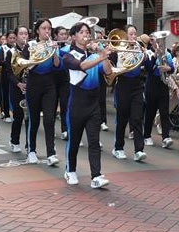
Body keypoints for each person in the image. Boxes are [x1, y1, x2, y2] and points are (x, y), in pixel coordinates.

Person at [63, 22, 112, 188]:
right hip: (76, 104)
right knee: (74, 141)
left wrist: (102, 54)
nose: (85, 34)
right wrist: (99, 56)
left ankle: (96, 176)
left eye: (87, 32)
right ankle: (70, 170)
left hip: (94, 104)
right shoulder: (68, 56)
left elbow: (108, 72)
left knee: (94, 141)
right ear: (74, 36)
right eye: (82, 32)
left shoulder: (94, 55)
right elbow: (81, 66)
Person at [24, 19, 60, 166]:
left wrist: (55, 52)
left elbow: (57, 65)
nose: (47, 31)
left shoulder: (53, 45)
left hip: (49, 84)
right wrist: (39, 51)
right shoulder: (30, 45)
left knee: (49, 119)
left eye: (49, 29)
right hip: (33, 83)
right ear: (37, 30)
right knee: (33, 120)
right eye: (44, 28)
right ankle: (31, 151)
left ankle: (51, 153)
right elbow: (26, 64)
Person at [110, 24, 148, 162]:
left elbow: (148, 65)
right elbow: (110, 66)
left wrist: (146, 57)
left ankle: (139, 150)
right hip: (123, 85)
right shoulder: (118, 49)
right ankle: (118, 148)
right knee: (122, 119)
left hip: (137, 86)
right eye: (131, 34)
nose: (133, 37)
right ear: (125, 36)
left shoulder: (139, 48)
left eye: (135, 34)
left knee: (137, 118)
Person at [143, 33, 175, 148]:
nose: (159, 42)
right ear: (151, 41)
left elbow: (172, 68)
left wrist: (168, 68)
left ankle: (166, 137)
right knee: (150, 112)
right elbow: (148, 68)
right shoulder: (148, 53)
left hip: (163, 84)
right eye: (156, 40)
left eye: (161, 40)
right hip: (152, 84)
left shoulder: (167, 53)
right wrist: (155, 56)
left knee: (164, 112)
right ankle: (146, 136)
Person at [6, 26, 30, 153]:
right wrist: (18, 84)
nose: (24, 36)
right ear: (16, 36)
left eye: (26, 33)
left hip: (30, 87)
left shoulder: (31, 50)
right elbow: (8, 72)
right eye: (21, 34)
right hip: (17, 87)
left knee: (29, 117)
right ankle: (14, 141)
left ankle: (29, 144)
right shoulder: (11, 52)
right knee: (18, 116)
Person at [53, 26, 70, 140]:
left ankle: (65, 129)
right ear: (56, 36)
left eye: (65, 34)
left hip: (65, 79)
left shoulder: (69, 47)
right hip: (52, 79)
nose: (64, 36)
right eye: (61, 34)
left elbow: (65, 56)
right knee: (52, 106)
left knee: (65, 104)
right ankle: (51, 129)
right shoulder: (52, 46)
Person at [0, 31, 16, 123]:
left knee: (15, 94)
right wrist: (9, 63)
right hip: (5, 73)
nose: (12, 40)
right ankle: (6, 113)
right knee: (5, 93)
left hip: (16, 74)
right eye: (10, 38)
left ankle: (16, 113)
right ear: (7, 39)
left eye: (14, 38)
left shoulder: (17, 48)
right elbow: (0, 61)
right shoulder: (3, 48)